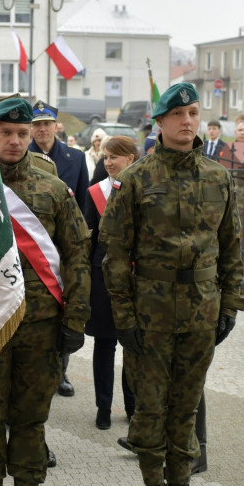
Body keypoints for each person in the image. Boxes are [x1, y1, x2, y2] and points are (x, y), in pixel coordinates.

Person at [99, 82, 244, 486]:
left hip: (203, 308)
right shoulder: (137, 179)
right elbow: (116, 257)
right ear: (159, 122)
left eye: (194, 114)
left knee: (187, 402)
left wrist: (232, 306)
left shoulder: (217, 176)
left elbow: (232, 248)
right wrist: (123, 317)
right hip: (152, 311)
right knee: (151, 406)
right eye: (178, 115)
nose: (188, 122)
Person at [0, 97, 91, 486]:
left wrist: (77, 320)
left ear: (34, 136)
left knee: (31, 419)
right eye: (5, 132)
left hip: (41, 326)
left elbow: (77, 256)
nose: (14, 141)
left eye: (22, 133)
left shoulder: (52, 191)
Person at [28, 100, 89, 399]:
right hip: (28, 247)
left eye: (46, 124)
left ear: (55, 125)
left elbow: (82, 203)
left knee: (62, 307)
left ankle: (61, 372)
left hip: (61, 245)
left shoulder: (75, 158)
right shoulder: (19, 156)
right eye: (36, 124)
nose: (41, 129)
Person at [84, 136, 139, 430]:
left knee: (132, 345)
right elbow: (88, 240)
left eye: (114, 157)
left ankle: (132, 406)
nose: (108, 162)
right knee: (104, 345)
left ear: (130, 158)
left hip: (135, 281)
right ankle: (103, 406)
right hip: (102, 279)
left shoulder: (143, 190)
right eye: (105, 157)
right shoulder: (96, 192)